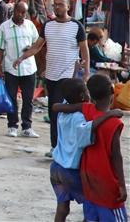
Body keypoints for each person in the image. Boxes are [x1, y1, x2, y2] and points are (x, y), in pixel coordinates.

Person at [16, 0, 90, 157]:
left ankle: (60, 147)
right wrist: (22, 58)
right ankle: (55, 145)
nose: (57, 7)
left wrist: (85, 73)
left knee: (58, 109)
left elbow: (84, 50)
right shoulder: (48, 25)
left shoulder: (76, 26)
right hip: (51, 75)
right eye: (55, 4)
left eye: (61, 4)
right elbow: (37, 46)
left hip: (68, 75)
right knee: (52, 111)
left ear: (68, 7)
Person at [50, 78, 124, 222]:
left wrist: (76, 72)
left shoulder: (71, 110)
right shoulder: (81, 118)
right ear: (83, 97)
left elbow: (64, 97)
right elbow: (86, 130)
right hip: (71, 171)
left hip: (56, 167)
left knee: (63, 209)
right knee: (94, 200)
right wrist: (108, 114)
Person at [80, 74, 127, 222]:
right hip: (106, 183)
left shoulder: (86, 111)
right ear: (113, 90)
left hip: (88, 179)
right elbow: (116, 156)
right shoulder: (113, 123)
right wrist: (122, 185)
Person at [0, 2, 40, 138]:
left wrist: (29, 49)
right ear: (13, 11)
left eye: (23, 12)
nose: (20, 15)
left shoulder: (30, 26)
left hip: (29, 68)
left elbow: (37, 44)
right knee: (12, 98)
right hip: (11, 69)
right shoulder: (4, 27)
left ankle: (27, 127)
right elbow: (0, 49)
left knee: (28, 99)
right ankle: (12, 126)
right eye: (18, 11)